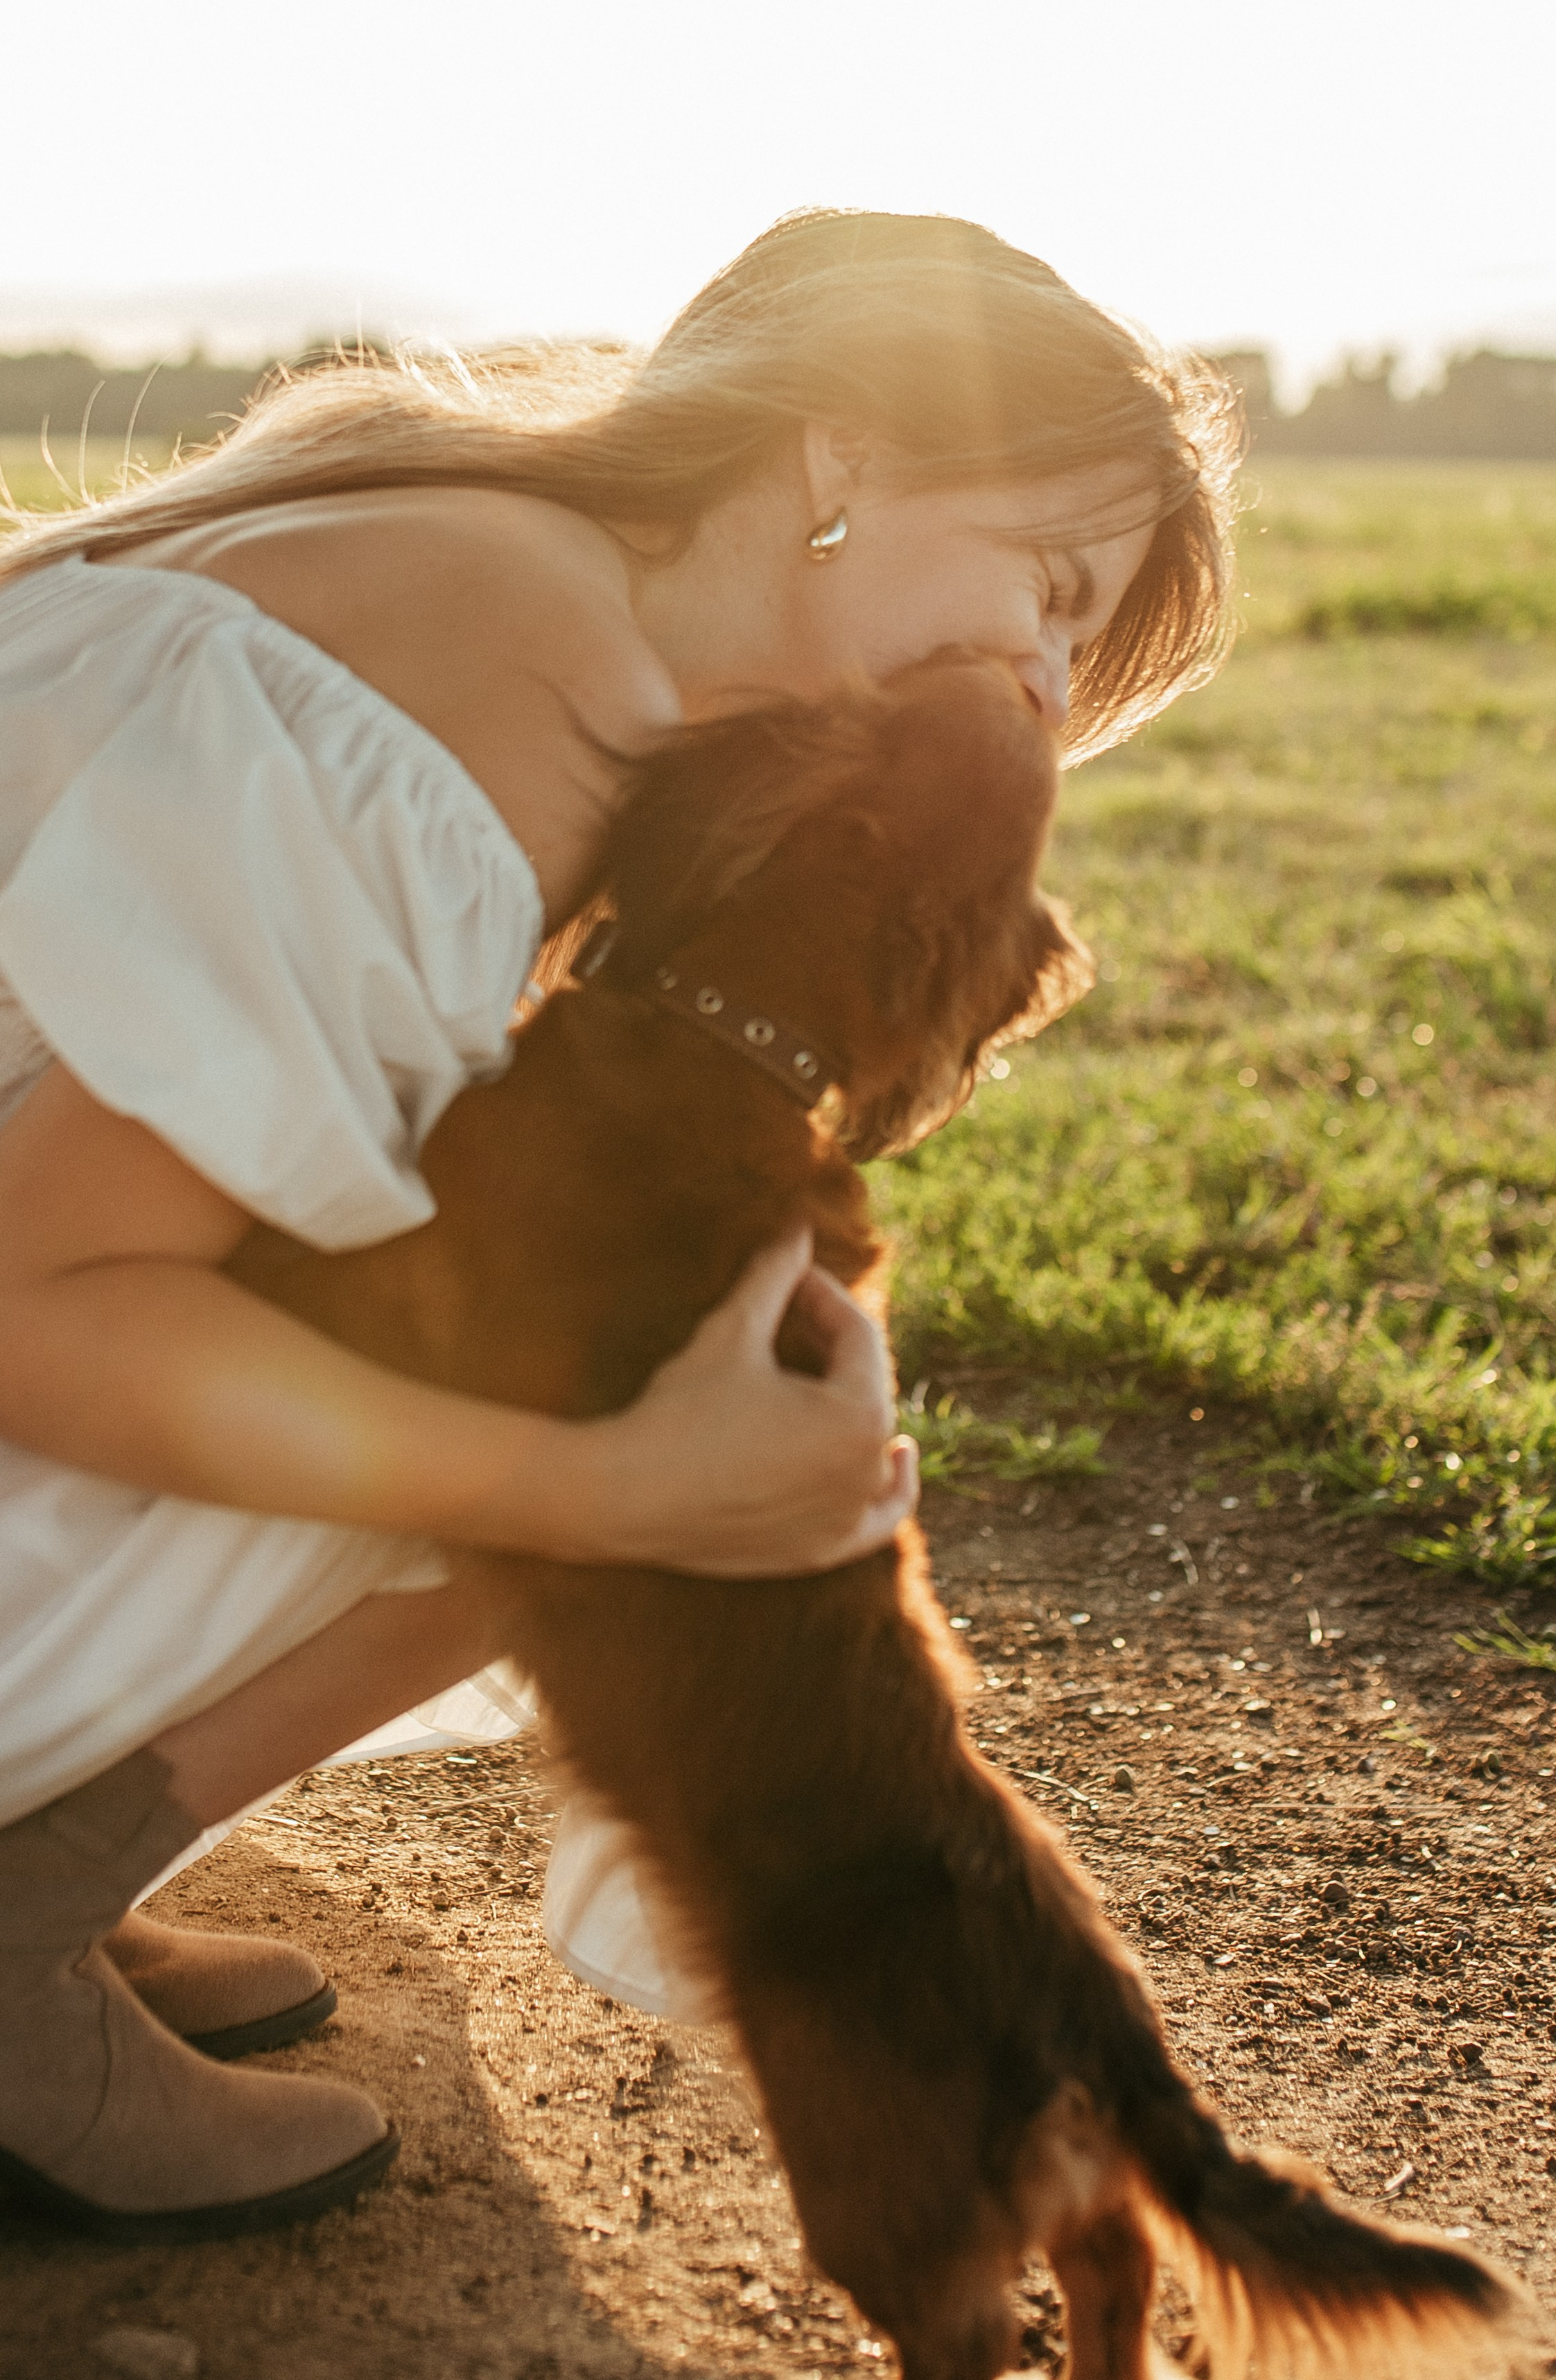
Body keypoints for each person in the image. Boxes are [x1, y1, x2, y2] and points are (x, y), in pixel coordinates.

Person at [0, 208, 1237, 2240]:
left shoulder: (453, 528)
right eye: (1048, 584)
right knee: (620, 1398)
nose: (1037, 673)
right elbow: (37, 1302)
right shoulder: (511, 673)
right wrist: (619, 1493)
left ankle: (55, 1853)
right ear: (844, 459)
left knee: (579, 1344)